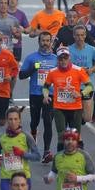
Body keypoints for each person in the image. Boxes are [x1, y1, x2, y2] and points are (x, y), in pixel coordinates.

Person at [19, 32, 57, 164]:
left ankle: (46, 151)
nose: (45, 43)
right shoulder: (31, 58)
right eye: (43, 40)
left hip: (50, 95)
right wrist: (33, 69)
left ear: (51, 42)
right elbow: (21, 75)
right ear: (39, 42)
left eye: (48, 41)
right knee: (34, 121)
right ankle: (33, 136)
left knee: (47, 122)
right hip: (35, 93)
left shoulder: (55, 59)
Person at [42, 48, 91, 143]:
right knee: (61, 136)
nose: (63, 61)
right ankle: (60, 156)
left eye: (65, 58)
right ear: (57, 59)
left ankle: (79, 156)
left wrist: (81, 94)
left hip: (76, 108)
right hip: (59, 108)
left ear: (69, 58)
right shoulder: (52, 72)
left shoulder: (79, 70)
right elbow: (45, 87)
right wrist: (45, 96)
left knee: (75, 136)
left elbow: (90, 86)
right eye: (61, 59)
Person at [0, 106, 40, 190]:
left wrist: (23, 154)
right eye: (10, 119)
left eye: (15, 119)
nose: (13, 122)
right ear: (6, 121)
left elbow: (37, 156)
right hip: (6, 179)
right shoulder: (1, 137)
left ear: (19, 120)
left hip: (23, 179)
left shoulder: (26, 136)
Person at [68, 24, 95, 123]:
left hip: (87, 85)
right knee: (72, 115)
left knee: (87, 118)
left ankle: (80, 119)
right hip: (73, 85)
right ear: (73, 36)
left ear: (85, 35)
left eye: (82, 35)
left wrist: (91, 70)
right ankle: (75, 130)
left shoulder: (91, 49)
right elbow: (64, 65)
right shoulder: (69, 49)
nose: (80, 38)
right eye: (77, 35)